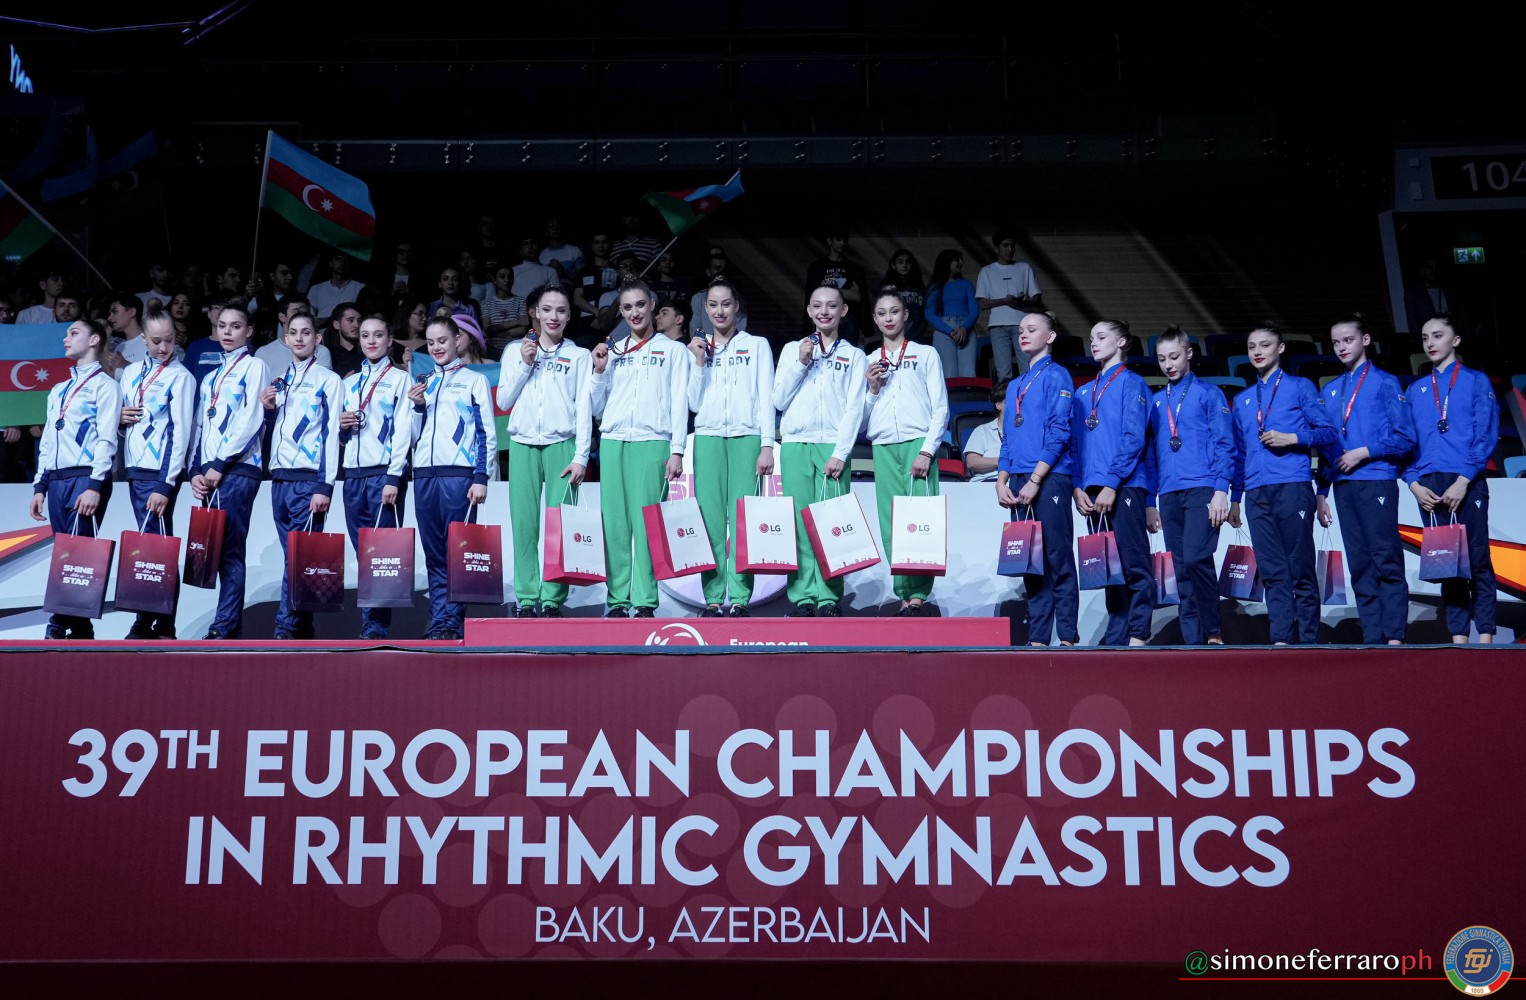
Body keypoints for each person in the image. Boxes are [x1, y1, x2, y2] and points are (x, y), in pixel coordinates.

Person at [1227, 323, 1338, 645]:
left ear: (1280, 348)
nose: (1257, 352)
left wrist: (1293, 438)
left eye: (1265, 345)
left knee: (1300, 568)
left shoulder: (1300, 387)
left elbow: (1329, 433)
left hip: (1292, 486)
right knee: (1272, 571)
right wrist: (1236, 498)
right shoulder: (1243, 399)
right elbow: (1239, 454)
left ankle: (1309, 641)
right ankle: (1281, 641)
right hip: (1256, 492)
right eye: (1252, 347)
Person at [589, 281, 689, 618]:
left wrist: (677, 449)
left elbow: (679, 402)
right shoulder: (612, 351)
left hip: (652, 442)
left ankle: (645, 600)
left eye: (641, 305)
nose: (635, 313)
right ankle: (618, 600)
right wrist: (598, 372)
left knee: (648, 526)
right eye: (628, 307)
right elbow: (597, 408)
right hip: (613, 441)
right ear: (621, 311)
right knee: (616, 526)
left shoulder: (673, 350)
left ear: (653, 306)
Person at [1314, 315, 1416, 645]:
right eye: (1336, 342)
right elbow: (1327, 446)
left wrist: (1365, 452)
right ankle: (1372, 637)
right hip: (1342, 486)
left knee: (1385, 557)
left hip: (1376, 479)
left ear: (1365, 340)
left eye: (1348, 340)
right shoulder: (1329, 390)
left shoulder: (1385, 383)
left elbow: (1405, 437)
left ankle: (1395, 636)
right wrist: (1322, 491)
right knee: (1359, 563)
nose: (1342, 347)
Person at [497, 283, 592, 618]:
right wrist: (525, 363)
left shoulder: (579, 356)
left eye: (561, 310)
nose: (554, 316)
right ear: (535, 312)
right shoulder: (515, 351)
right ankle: (526, 598)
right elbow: (503, 401)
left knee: (559, 526)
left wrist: (581, 455)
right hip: (522, 444)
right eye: (547, 309)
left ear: (569, 316)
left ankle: (552, 599)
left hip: (562, 445)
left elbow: (584, 408)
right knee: (524, 526)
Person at [772, 284, 868, 617]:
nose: (824, 311)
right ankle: (802, 597)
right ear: (809, 311)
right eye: (817, 306)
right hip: (795, 444)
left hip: (832, 446)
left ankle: (829, 597)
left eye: (831, 306)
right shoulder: (791, 350)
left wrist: (841, 452)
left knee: (832, 525)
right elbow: (778, 400)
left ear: (843, 310)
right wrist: (801, 363)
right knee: (799, 525)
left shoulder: (854, 356)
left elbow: (855, 408)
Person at [1403, 314, 1499, 643]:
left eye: (1438, 335)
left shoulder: (1475, 381)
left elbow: (1486, 434)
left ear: (1455, 341)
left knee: (1478, 558)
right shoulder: (1415, 390)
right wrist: (1414, 484)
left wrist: (1464, 480)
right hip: (1428, 484)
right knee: (1446, 562)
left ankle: (1485, 636)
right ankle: (1459, 637)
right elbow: (1406, 445)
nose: (1430, 343)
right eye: (1425, 337)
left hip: (1466, 480)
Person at [685, 277, 777, 617]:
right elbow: (693, 403)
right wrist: (698, 362)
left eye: (726, 304)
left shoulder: (757, 345)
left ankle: (739, 598)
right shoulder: (695, 348)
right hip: (708, 438)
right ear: (705, 309)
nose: (720, 311)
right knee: (709, 522)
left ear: (737, 307)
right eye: (713, 305)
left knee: (743, 522)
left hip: (746, 438)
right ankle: (712, 598)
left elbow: (766, 398)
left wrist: (767, 444)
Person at [30, 318, 122, 640]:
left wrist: (95, 485)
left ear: (94, 340)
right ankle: (82, 627)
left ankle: (57, 623)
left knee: (74, 554)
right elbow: (47, 441)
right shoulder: (58, 390)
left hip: (86, 478)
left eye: (74, 333)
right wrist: (40, 485)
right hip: (57, 480)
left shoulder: (106, 386)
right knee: (65, 554)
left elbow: (107, 438)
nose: (65, 338)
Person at [1143, 326, 1233, 645]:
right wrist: (1150, 501)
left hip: (1202, 489)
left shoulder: (1209, 394)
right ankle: (1191, 641)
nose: (1168, 364)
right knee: (1181, 569)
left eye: (1174, 357)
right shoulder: (1156, 402)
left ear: (1189, 354)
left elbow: (1224, 444)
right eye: (1162, 359)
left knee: (1196, 558)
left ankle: (1212, 631)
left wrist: (1221, 490)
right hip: (1168, 493)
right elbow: (1149, 455)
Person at [407, 316, 496, 640]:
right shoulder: (423, 382)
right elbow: (411, 436)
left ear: (457, 340)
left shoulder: (474, 381)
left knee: (457, 554)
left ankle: (451, 622)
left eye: (442, 340)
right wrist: (418, 407)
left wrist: (481, 476)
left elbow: (486, 433)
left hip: (459, 476)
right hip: (424, 477)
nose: (436, 347)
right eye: (430, 342)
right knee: (434, 556)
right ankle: (438, 621)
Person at [189, 300, 271, 640]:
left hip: (238, 469)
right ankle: (229, 624)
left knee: (230, 550)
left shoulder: (255, 366)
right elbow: (200, 425)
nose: (227, 332)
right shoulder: (210, 377)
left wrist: (220, 464)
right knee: (217, 550)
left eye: (235, 326)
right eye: (222, 326)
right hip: (210, 472)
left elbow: (252, 419)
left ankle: (224, 625)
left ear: (248, 331)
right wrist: (195, 468)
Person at [259, 310, 344, 640]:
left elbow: (331, 434)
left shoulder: (328, 380)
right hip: (280, 478)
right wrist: (268, 412)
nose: (299, 338)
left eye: (306, 332)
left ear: (317, 339)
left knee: (297, 558)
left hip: (309, 480)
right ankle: (303, 628)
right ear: (285, 338)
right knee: (294, 559)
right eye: (293, 332)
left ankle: (284, 629)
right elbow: (275, 430)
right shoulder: (281, 380)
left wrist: (325, 484)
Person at [995, 313, 1078, 646]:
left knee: (1058, 557)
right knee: (1030, 562)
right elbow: (1008, 438)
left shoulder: (1057, 375)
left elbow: (1060, 432)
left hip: (1049, 478)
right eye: (1020, 331)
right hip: (1018, 479)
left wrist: (1036, 478)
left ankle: (1068, 636)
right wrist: (1001, 480)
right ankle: (1039, 637)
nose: (1023, 335)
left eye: (1032, 329)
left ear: (1051, 336)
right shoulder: (1015, 385)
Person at [864, 289, 948, 616]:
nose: (888, 318)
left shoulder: (926, 354)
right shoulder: (868, 360)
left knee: (921, 520)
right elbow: (860, 417)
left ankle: (919, 594)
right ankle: (903, 593)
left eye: (894, 311)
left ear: (905, 315)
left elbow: (940, 408)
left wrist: (927, 451)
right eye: (882, 313)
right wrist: (872, 389)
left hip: (918, 442)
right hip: (883, 444)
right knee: (891, 522)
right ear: (874, 319)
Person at [1070, 320, 1153, 646]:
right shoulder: (1083, 393)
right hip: (1092, 489)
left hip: (1124, 485)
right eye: (1091, 338)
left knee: (1134, 564)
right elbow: (1075, 445)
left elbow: (1134, 438)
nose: (1094, 343)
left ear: (1121, 342)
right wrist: (1077, 485)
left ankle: (1138, 634)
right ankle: (1118, 636)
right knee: (1107, 566)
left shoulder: (1133, 384)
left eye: (1101, 337)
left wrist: (1112, 483)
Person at [117, 304, 197, 640]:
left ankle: (158, 623)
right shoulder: (131, 373)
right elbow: (123, 423)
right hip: (136, 470)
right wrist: (120, 420)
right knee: (149, 547)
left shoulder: (181, 377)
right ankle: (154, 621)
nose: (163, 348)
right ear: (144, 340)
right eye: (155, 341)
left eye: (169, 340)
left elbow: (181, 433)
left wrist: (166, 484)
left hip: (160, 473)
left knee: (158, 549)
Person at [340, 314, 416, 640]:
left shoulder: (400, 380)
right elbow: (335, 436)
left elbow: (404, 433)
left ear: (389, 339)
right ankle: (370, 623)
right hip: (352, 477)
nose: (371, 341)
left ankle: (376, 627)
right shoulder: (348, 383)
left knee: (382, 556)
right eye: (365, 335)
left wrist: (393, 476)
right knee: (363, 554)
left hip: (383, 475)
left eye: (378, 335)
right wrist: (340, 426)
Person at [975, 231, 1043, 380]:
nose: (1010, 249)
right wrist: (1004, 301)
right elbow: (982, 303)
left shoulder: (1024, 268)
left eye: (1012, 246)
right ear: (996, 248)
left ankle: (1027, 394)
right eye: (1005, 246)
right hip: (997, 325)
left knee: (1027, 367)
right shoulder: (987, 271)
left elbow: (1036, 297)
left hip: (1022, 324)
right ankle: (1006, 395)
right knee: (1003, 371)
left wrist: (1021, 303)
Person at [803, 231, 867, 345]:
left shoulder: (854, 268)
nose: (842, 243)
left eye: (844, 240)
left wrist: (826, 289)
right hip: (824, 318)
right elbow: (812, 296)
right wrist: (846, 293)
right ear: (829, 240)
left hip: (848, 322)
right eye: (838, 239)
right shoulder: (817, 267)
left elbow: (858, 297)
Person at [926, 249, 980, 379]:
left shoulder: (966, 284)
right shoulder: (936, 286)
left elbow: (974, 309)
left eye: (961, 260)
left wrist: (964, 328)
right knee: (948, 373)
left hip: (966, 329)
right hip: (944, 331)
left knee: (968, 373)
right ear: (946, 262)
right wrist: (950, 331)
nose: (960, 262)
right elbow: (929, 313)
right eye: (956, 260)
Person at [256, 295, 333, 374]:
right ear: (282, 317)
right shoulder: (264, 353)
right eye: (296, 312)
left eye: (305, 313)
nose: (301, 316)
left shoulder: (321, 351)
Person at [879, 249, 928, 343]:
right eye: (900, 262)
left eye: (908, 262)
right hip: (894, 335)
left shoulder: (919, 286)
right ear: (894, 265)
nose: (904, 265)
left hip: (917, 334)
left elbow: (923, 311)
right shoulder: (887, 286)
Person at [962, 381, 1006, 484]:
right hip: (986, 482)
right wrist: (1002, 461)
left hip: (1015, 483)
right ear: (998, 405)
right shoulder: (982, 430)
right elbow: (971, 462)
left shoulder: (1024, 431)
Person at [306, 253, 366, 323]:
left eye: (346, 260)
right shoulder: (316, 289)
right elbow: (309, 319)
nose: (342, 263)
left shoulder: (360, 288)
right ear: (330, 263)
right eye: (338, 259)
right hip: (322, 330)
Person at [324, 302, 365, 377]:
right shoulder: (328, 355)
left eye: (359, 321)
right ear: (336, 325)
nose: (356, 325)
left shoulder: (367, 351)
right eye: (350, 320)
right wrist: (342, 382)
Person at [390, 297, 428, 367]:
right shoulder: (391, 344)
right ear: (407, 314)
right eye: (420, 314)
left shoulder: (430, 344)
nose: (424, 318)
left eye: (426, 315)